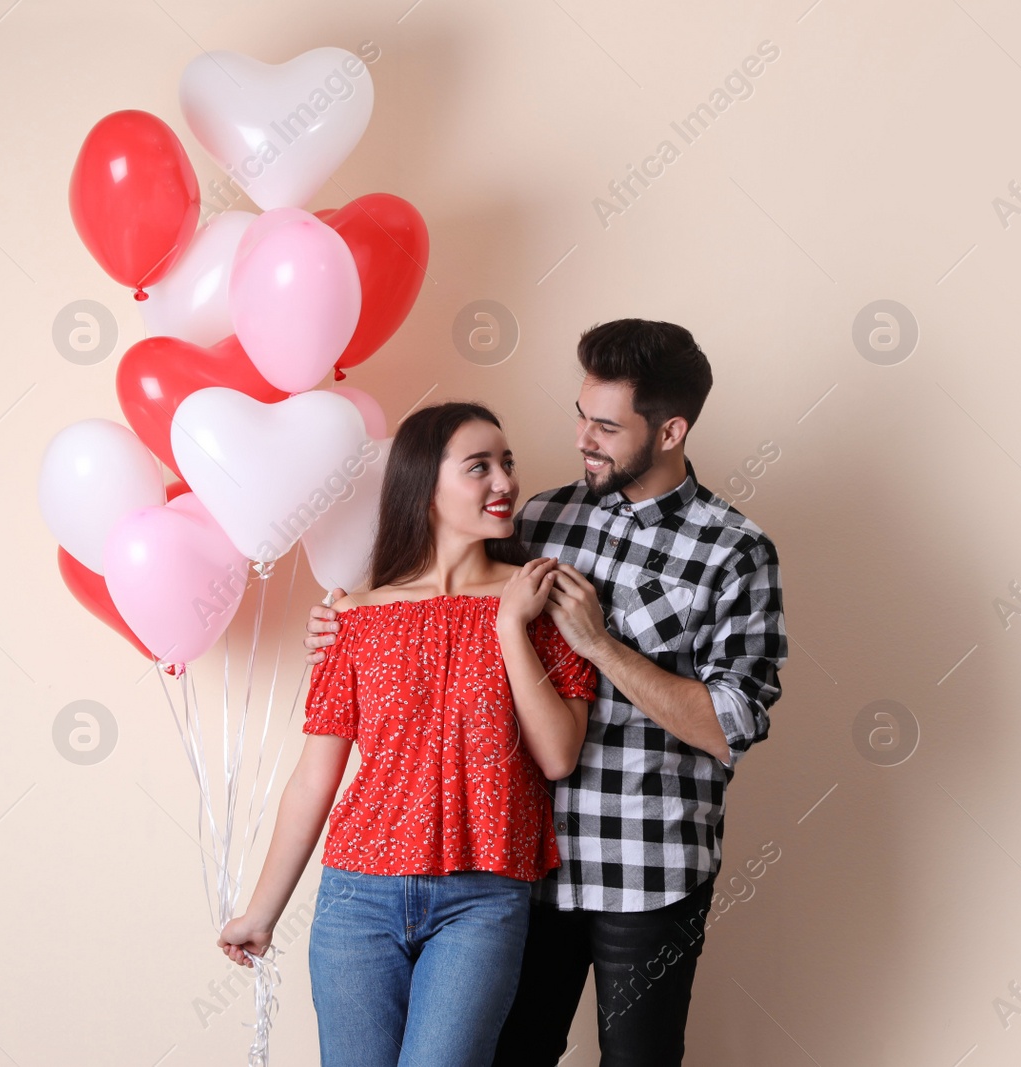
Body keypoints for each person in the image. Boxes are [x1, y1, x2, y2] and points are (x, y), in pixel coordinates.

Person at [306, 319, 789, 1066]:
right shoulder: (540, 518)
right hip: (524, 873)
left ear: (669, 430)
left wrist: (602, 645)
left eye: (604, 425)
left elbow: (733, 722)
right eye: (580, 415)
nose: (581, 438)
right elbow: (441, 607)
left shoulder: (734, 550)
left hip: (648, 868)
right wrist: (344, 623)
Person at [217, 401, 600, 1067]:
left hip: (482, 899)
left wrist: (512, 627)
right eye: (479, 466)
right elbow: (316, 776)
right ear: (424, 483)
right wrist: (262, 910)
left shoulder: (541, 598)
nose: (505, 482)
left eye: (507, 463)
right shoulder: (355, 618)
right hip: (356, 897)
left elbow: (559, 754)